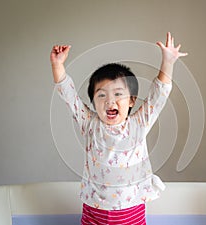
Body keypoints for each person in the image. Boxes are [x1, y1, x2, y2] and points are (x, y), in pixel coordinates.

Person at [50, 32, 187, 225]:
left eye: (118, 94)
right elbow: (69, 96)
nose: (110, 101)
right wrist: (58, 66)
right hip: (94, 208)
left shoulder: (139, 124)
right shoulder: (90, 124)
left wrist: (168, 62)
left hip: (131, 210)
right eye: (102, 95)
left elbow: (159, 95)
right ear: (93, 102)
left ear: (131, 100)